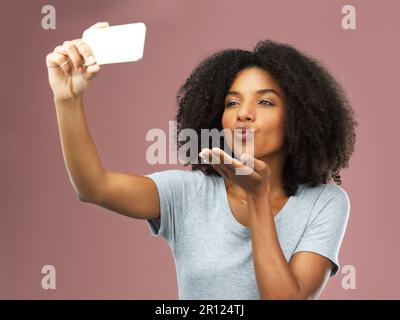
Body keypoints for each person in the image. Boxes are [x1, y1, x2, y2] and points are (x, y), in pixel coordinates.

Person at [46, 22, 358, 300]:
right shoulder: (189, 192)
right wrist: (67, 99)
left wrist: (258, 196)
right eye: (232, 102)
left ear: (298, 118)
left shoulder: (325, 203)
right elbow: (94, 187)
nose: (243, 113)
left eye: (264, 101)